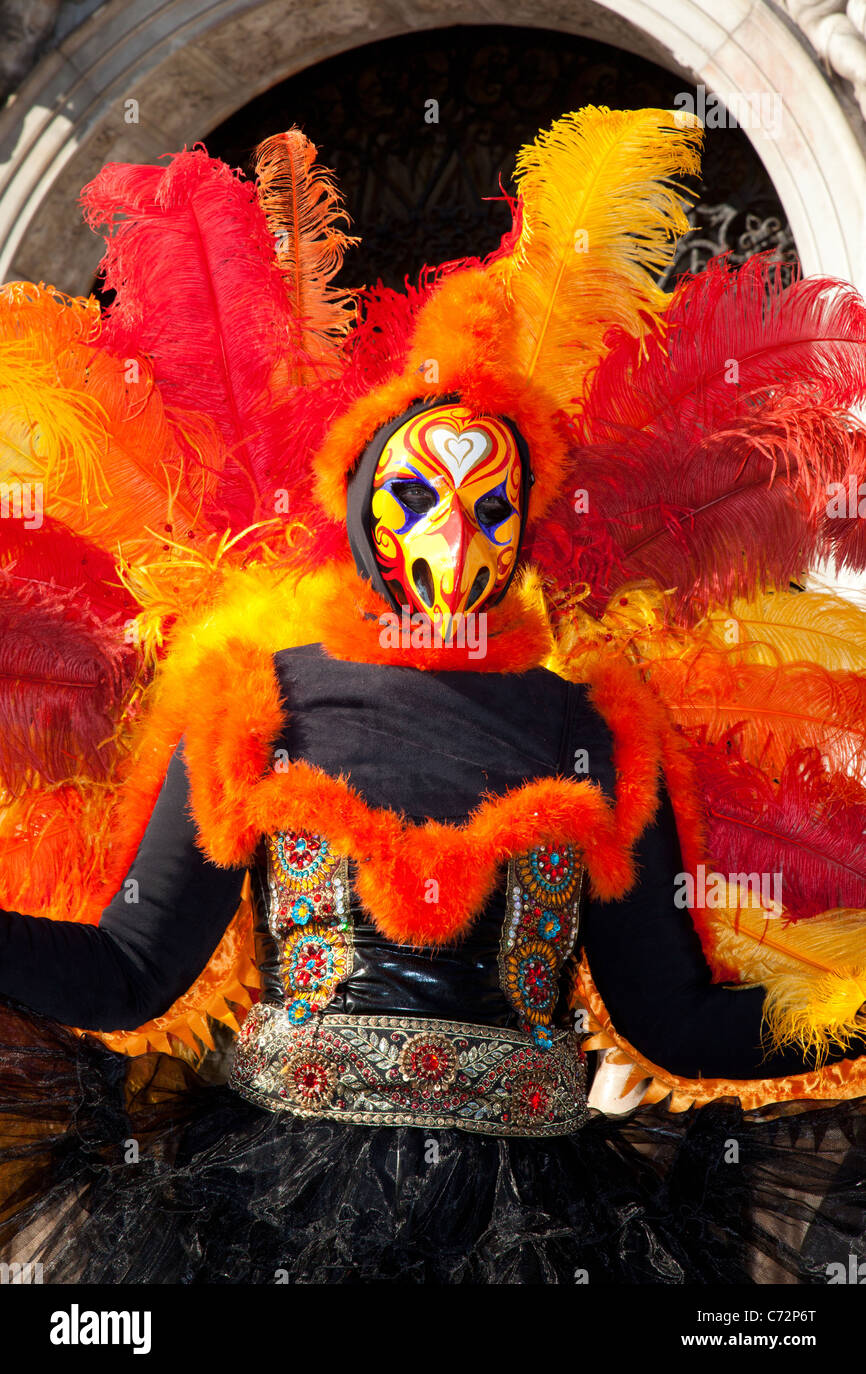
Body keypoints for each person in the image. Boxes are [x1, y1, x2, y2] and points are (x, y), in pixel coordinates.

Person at [0, 108, 865, 1285]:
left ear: (524, 523)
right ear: (362, 512)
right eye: (420, 497)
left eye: (490, 503)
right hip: (267, 1215)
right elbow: (128, 970)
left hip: (541, 1218)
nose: (456, 535)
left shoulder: (594, 732)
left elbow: (671, 1016)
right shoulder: (253, 700)